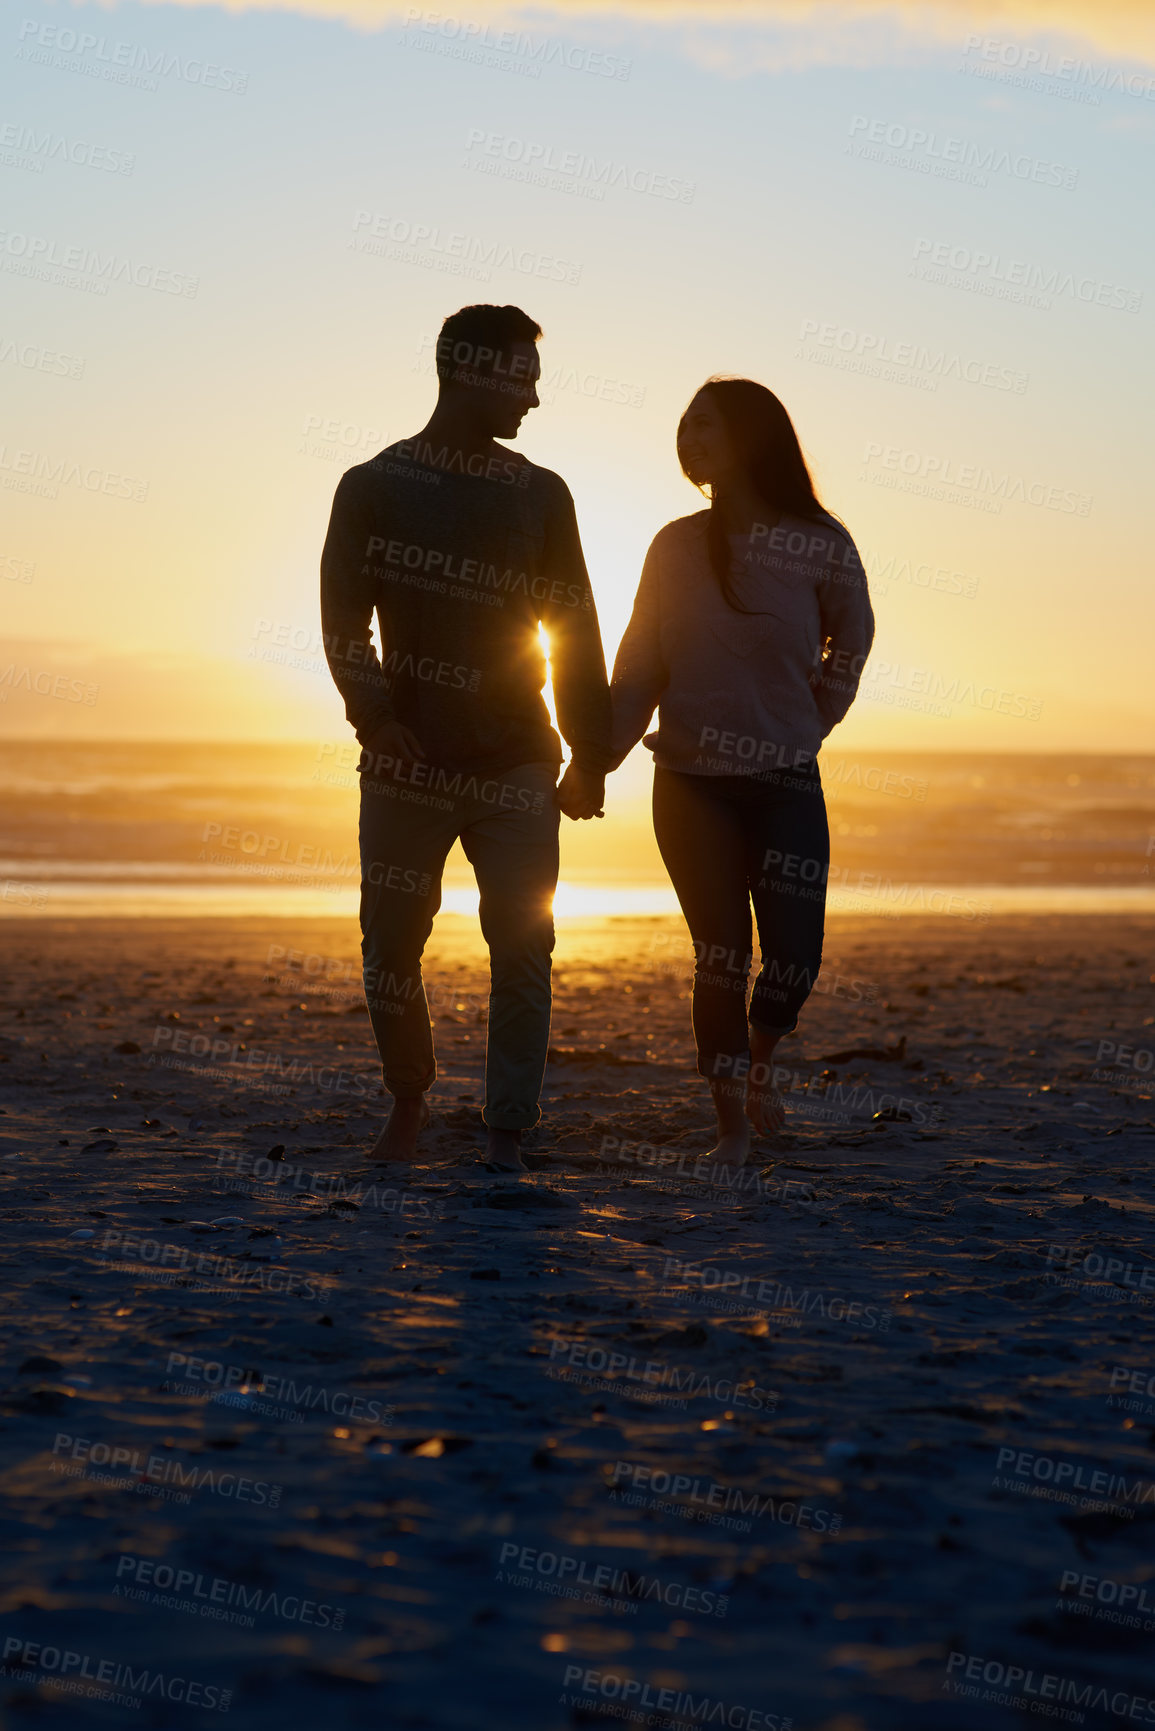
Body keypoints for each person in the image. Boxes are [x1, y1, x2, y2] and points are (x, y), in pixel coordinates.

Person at [320, 304, 611, 1172]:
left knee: (524, 945)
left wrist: (588, 752)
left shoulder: (541, 492)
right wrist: (375, 717)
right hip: (407, 762)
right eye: (520, 375)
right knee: (389, 947)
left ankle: (505, 1131)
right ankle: (407, 1104)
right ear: (468, 371)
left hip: (519, 755)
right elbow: (343, 623)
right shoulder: (372, 484)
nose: (532, 396)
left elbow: (574, 627)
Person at [609, 377, 874, 1170]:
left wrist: (812, 720)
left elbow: (851, 640)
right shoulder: (674, 544)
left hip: (785, 777)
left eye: (705, 424)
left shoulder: (819, 540)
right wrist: (596, 763)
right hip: (690, 782)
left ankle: (759, 1066)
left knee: (793, 956)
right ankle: (731, 1125)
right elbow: (638, 665)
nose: (688, 437)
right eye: (683, 424)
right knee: (720, 954)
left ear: (751, 438)